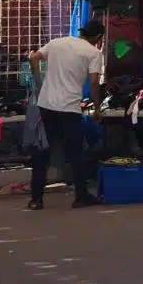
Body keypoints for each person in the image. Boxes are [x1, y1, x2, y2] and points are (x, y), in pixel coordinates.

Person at [26, 19, 105, 210]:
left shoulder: (56, 43)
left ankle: (36, 199)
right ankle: (81, 196)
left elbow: (33, 58)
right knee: (76, 153)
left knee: (43, 152)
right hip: (69, 107)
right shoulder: (93, 53)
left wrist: (39, 84)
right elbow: (94, 83)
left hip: (46, 104)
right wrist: (97, 108)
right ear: (97, 38)